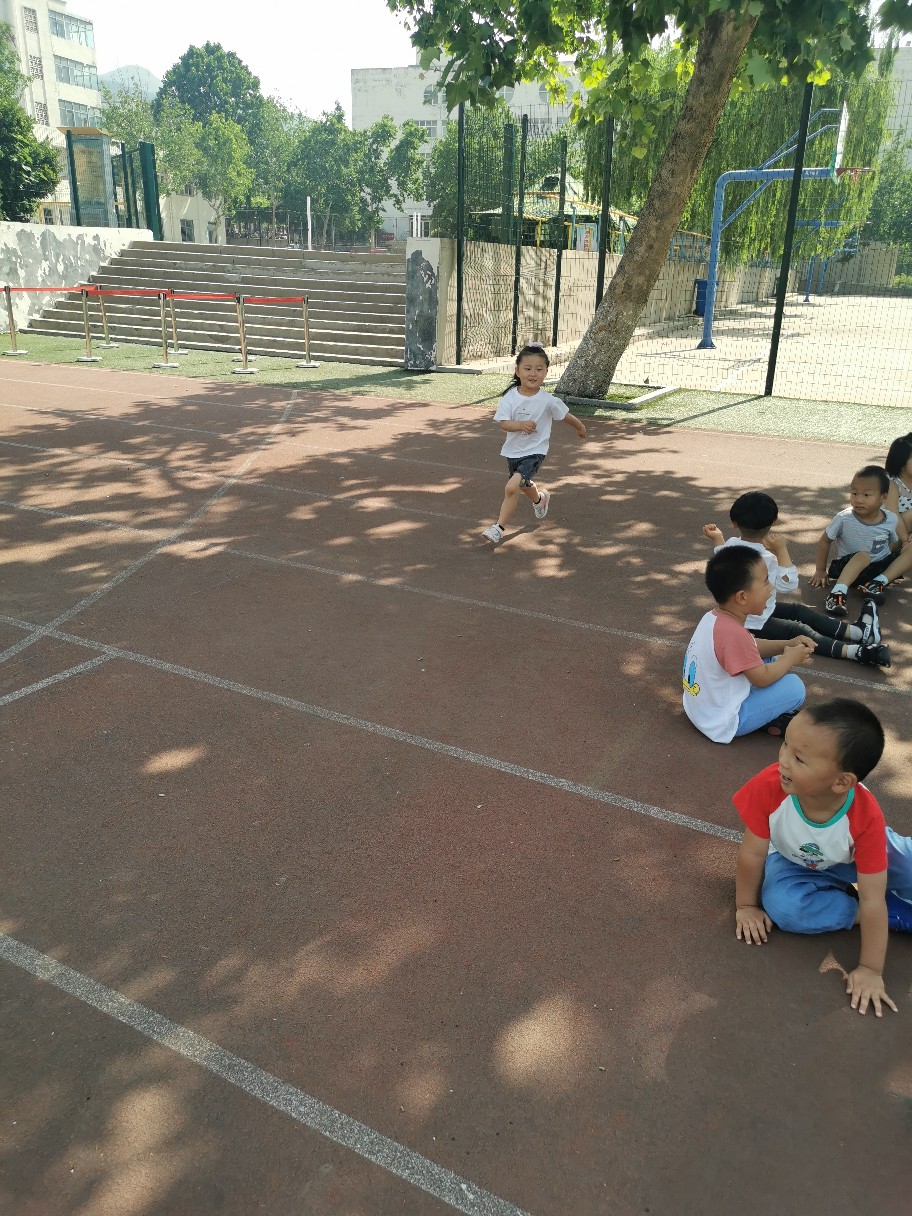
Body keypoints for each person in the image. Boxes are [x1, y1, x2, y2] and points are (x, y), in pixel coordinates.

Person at [732, 698, 912, 1018]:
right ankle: (892, 912)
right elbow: (752, 852)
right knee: (785, 907)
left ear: (841, 781)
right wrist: (746, 906)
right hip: (793, 861)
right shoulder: (769, 786)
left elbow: (872, 895)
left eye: (798, 758)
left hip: (853, 859)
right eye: (785, 745)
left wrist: (870, 969)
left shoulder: (865, 817)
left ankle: (887, 898)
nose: (783, 760)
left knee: (907, 867)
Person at [703, 491, 888, 668]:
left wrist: (717, 538)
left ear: (734, 523)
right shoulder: (765, 559)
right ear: (774, 521)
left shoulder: (731, 546)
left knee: (799, 611)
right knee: (797, 630)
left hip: (753, 609)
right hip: (752, 623)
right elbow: (788, 584)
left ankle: (857, 632)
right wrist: (781, 550)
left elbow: (721, 555)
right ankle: (855, 651)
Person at [682, 545, 814, 743]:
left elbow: (750, 647)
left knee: (769, 659)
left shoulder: (713, 618)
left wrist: (787, 644)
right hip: (722, 721)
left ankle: (769, 715)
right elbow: (762, 679)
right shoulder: (735, 634)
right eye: (766, 582)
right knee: (795, 688)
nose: (771, 588)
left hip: (700, 709)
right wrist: (789, 659)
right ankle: (770, 718)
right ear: (742, 597)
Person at [481, 342, 587, 545]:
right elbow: (503, 423)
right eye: (528, 368)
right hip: (513, 452)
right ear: (517, 371)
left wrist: (580, 426)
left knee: (511, 487)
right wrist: (520, 425)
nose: (533, 373)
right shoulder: (510, 397)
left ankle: (498, 529)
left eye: (539, 369)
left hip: (535, 452)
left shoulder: (548, 400)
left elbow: (565, 415)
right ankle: (539, 499)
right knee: (522, 484)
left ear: (546, 372)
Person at [812, 464, 912, 613]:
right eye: (854, 493)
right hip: (848, 569)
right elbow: (825, 541)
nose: (858, 499)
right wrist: (820, 570)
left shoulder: (891, 519)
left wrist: (894, 568)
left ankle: (877, 583)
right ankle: (837, 594)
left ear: (884, 497)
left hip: (876, 569)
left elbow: (892, 544)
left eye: (866, 495)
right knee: (863, 556)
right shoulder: (844, 518)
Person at [884, 432, 912, 544]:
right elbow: (893, 515)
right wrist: (906, 540)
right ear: (901, 461)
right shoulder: (892, 484)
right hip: (890, 538)